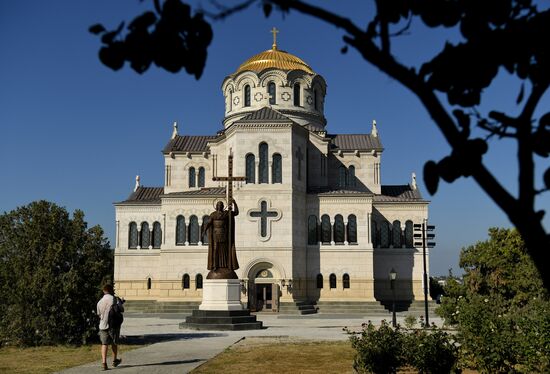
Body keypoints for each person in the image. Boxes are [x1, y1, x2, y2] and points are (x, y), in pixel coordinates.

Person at [202, 200, 239, 279]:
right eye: (218, 205)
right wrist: (204, 230)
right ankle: (215, 266)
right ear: (216, 206)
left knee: (225, 251)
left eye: (221, 205)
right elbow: (209, 223)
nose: (220, 206)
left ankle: (226, 266)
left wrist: (234, 203)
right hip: (216, 235)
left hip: (224, 235)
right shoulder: (213, 215)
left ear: (223, 206)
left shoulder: (226, 213)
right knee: (215, 250)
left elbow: (236, 213)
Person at [97, 284, 124, 370]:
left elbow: (99, 314)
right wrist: (121, 302)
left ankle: (104, 363)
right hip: (113, 325)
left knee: (104, 344)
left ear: (104, 291)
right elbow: (121, 309)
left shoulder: (99, 302)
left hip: (103, 325)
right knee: (114, 343)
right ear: (111, 290)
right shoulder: (114, 299)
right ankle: (114, 360)